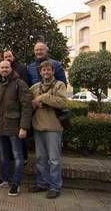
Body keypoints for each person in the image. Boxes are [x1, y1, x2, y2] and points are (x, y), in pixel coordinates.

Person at [0, 61, 32, 197]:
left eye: (6, 67)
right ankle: (4, 179)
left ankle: (16, 184)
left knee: (18, 156)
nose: (4, 69)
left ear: (11, 68)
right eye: (2, 67)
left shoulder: (20, 84)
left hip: (14, 126)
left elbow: (27, 107)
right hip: (0, 125)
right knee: (3, 155)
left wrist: (24, 127)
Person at [29, 61, 67, 199]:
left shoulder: (60, 85)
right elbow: (27, 103)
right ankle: (42, 183)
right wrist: (34, 103)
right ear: (40, 72)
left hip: (54, 127)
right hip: (38, 126)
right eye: (43, 70)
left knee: (54, 160)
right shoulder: (34, 87)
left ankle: (55, 186)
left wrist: (44, 97)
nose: (46, 72)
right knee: (40, 158)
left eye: (48, 70)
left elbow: (63, 102)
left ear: (52, 71)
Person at [3, 49, 30, 162]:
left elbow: (25, 85)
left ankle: (24, 157)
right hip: (7, 108)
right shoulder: (2, 69)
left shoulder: (22, 68)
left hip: (18, 105)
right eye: (6, 57)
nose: (8, 58)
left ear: (13, 56)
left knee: (20, 136)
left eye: (9, 56)